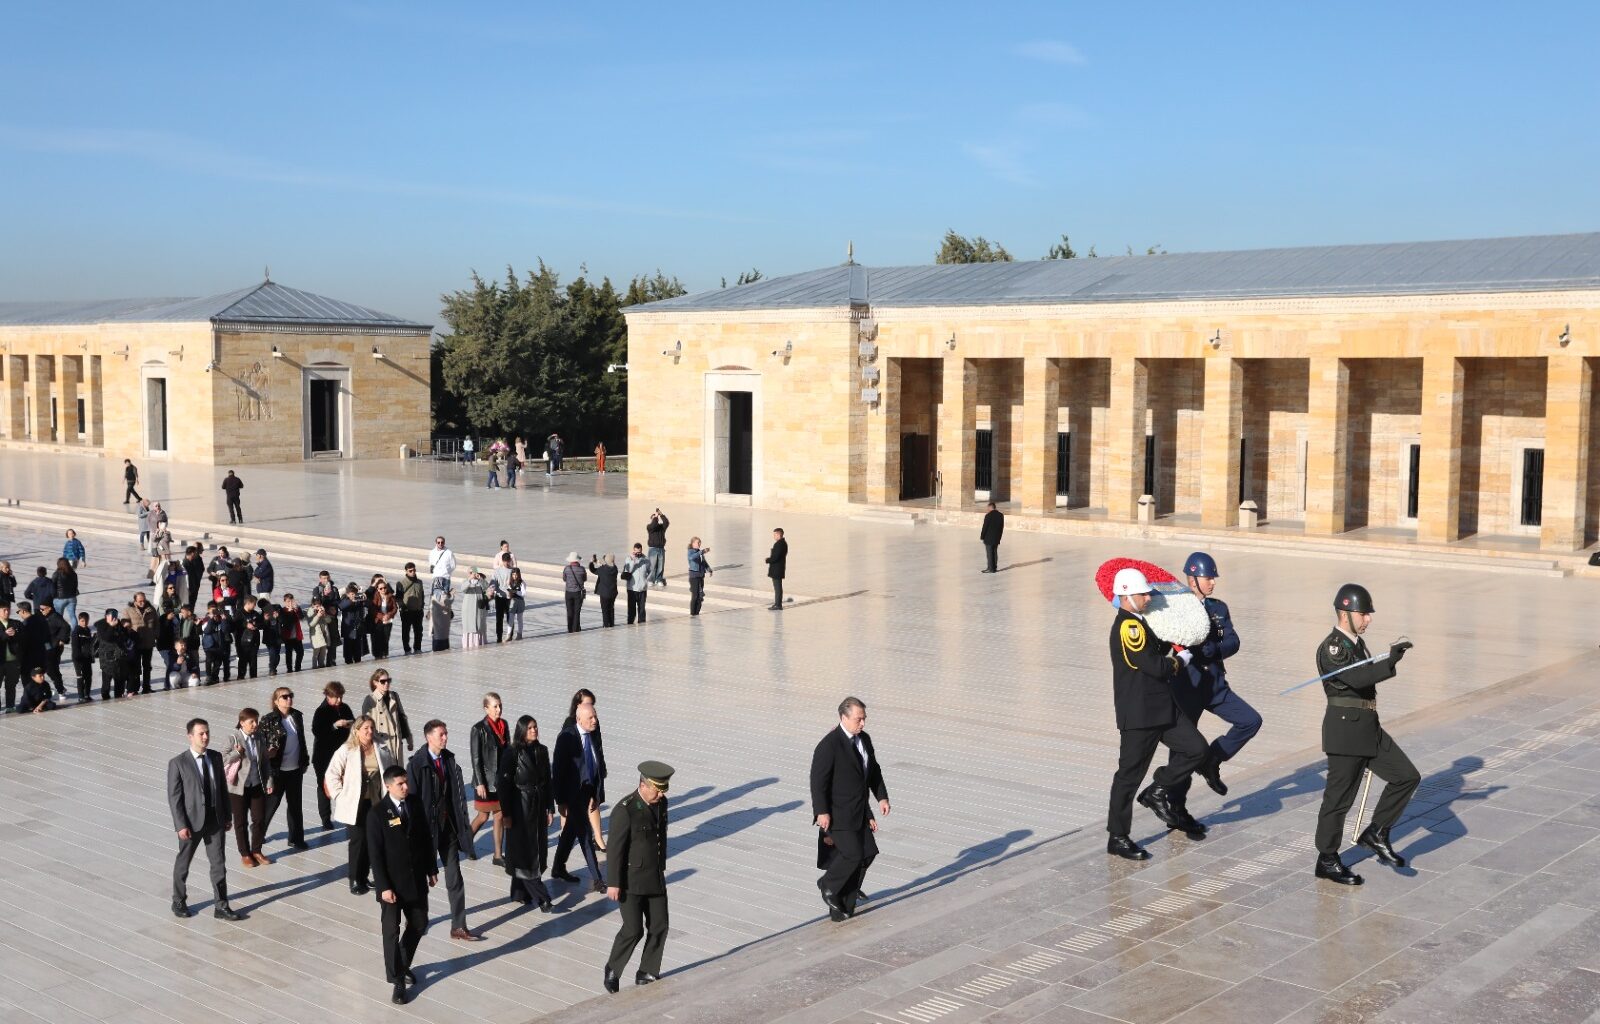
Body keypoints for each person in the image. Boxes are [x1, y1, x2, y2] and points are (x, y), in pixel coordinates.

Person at [1313, 584, 1419, 886]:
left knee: (1407, 776)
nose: (1368, 619)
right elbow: (1356, 678)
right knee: (1339, 799)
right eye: (1363, 614)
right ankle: (1328, 858)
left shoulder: (1357, 645)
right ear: (1345, 613)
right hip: (1345, 728)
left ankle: (1377, 831)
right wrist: (1389, 663)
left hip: (1368, 726)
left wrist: (1387, 662)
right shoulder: (1333, 647)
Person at [1104, 567, 1209, 861]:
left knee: (1196, 749)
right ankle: (1118, 836)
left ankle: (1158, 788)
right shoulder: (1129, 627)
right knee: (1128, 776)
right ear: (1127, 596)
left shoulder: (1143, 622)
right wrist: (1180, 661)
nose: (1148, 597)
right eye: (1142, 593)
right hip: (1139, 714)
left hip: (1163, 707)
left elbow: (1159, 643)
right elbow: (1153, 665)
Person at [1168, 553, 1263, 817]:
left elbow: (1232, 640)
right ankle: (1176, 807)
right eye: (1208, 577)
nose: (1213, 582)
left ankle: (1212, 760)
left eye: (1212, 578)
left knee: (1250, 720)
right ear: (1192, 578)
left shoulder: (1218, 608)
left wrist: (1214, 649)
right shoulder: (1177, 609)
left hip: (1215, 685)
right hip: (1188, 688)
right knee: (1184, 749)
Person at [810, 697, 890, 921]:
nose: (863, 723)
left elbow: (872, 771)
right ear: (843, 717)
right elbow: (818, 781)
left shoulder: (863, 740)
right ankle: (828, 884)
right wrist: (821, 811)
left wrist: (881, 798)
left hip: (858, 811)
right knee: (853, 855)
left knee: (867, 853)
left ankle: (845, 898)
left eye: (864, 719)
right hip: (837, 814)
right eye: (858, 719)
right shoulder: (829, 745)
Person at [603, 761, 675, 992]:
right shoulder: (625, 810)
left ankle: (647, 971)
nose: (661, 794)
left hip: (654, 876)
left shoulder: (661, 804)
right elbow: (615, 849)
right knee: (633, 929)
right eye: (657, 789)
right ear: (643, 785)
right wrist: (613, 883)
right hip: (630, 881)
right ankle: (613, 969)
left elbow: (659, 838)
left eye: (664, 789)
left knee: (660, 925)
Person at [405, 721, 481, 941]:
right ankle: (416, 920)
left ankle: (459, 926)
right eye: (441, 734)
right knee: (421, 880)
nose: (445, 737)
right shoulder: (417, 765)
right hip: (426, 832)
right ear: (429, 737)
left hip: (447, 830)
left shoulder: (449, 760)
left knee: (455, 878)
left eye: (446, 733)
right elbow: (412, 801)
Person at [368, 766, 435, 1005]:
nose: (406, 787)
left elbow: (425, 838)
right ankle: (397, 981)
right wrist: (384, 886)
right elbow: (375, 855)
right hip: (392, 886)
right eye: (400, 784)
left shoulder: (414, 804)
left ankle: (402, 963)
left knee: (419, 923)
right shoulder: (377, 814)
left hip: (416, 879)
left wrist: (431, 869)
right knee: (391, 931)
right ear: (388, 786)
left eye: (406, 782)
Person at [168, 718, 243, 921]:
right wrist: (180, 824)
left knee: (219, 864)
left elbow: (222, 789)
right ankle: (178, 900)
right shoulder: (178, 763)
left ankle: (221, 905)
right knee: (184, 862)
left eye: (207, 732)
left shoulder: (216, 757)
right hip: (191, 823)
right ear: (190, 736)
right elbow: (174, 798)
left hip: (215, 820)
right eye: (201, 733)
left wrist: (227, 816)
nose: (205, 737)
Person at [327, 715, 397, 895]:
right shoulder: (346, 749)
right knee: (358, 841)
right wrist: (339, 795)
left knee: (373, 840)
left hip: (376, 801)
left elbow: (390, 773)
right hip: (355, 803)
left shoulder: (381, 748)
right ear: (356, 730)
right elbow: (332, 773)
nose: (369, 732)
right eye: (365, 728)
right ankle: (355, 879)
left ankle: (365, 876)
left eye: (371, 728)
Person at [499, 715, 554, 911]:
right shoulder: (512, 753)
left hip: (537, 805)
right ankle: (542, 897)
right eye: (530, 728)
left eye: (535, 727)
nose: (534, 730)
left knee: (536, 847)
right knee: (524, 851)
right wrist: (506, 813)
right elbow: (503, 785)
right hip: (519, 806)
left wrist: (550, 807)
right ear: (522, 730)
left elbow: (548, 781)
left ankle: (518, 892)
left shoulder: (542, 751)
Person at [551, 701, 607, 889]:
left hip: (587, 793)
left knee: (570, 832)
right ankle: (597, 878)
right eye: (590, 718)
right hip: (572, 794)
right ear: (579, 720)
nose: (595, 720)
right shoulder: (567, 737)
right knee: (585, 834)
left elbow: (596, 767)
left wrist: (596, 794)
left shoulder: (594, 735)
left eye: (595, 716)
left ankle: (558, 867)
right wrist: (560, 800)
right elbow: (558, 770)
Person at [259, 687, 310, 851]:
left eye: (290, 696)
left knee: (295, 806)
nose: (289, 699)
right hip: (277, 771)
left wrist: (305, 760)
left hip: (295, 769)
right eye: (284, 697)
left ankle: (296, 839)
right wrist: (267, 755)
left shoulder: (296, 716)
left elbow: (301, 740)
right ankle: (257, 837)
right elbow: (260, 744)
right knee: (271, 805)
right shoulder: (268, 720)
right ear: (276, 701)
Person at [222, 708, 271, 867]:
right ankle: (245, 853)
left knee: (259, 819)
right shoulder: (233, 738)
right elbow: (222, 760)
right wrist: (237, 753)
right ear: (242, 723)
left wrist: (269, 781)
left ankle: (257, 850)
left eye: (256, 721)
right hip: (238, 788)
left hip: (256, 785)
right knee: (240, 822)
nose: (255, 724)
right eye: (252, 722)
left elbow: (264, 762)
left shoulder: (258, 737)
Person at [469, 693, 509, 863]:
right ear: (486, 708)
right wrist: (479, 783)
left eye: (500, 705)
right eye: (495, 706)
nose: (499, 709)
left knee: (500, 815)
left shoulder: (504, 724)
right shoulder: (478, 729)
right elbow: (475, 758)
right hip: (485, 781)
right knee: (483, 817)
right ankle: (465, 843)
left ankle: (498, 855)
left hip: (500, 780)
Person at [312, 682, 356, 830]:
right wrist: (334, 726)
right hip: (324, 756)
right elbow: (317, 731)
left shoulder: (345, 708)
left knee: (345, 783)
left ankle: (346, 814)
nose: (339, 701)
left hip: (343, 754)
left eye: (341, 697)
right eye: (336, 698)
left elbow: (354, 723)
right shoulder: (321, 711)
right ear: (328, 696)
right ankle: (325, 818)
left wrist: (350, 724)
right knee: (324, 786)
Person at [362, 670, 414, 764]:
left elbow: (402, 718)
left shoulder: (394, 696)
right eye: (383, 681)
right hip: (382, 743)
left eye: (388, 680)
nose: (386, 683)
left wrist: (409, 739)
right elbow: (365, 724)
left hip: (396, 743)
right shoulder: (370, 700)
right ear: (375, 683)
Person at [126, 591, 158, 693]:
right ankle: (134, 688)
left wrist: (155, 635)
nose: (142, 603)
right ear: (135, 601)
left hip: (148, 643)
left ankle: (146, 687)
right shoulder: (128, 610)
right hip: (135, 644)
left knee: (147, 666)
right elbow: (124, 624)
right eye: (140, 601)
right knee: (135, 667)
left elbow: (157, 624)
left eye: (143, 600)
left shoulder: (151, 609)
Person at [396, 563, 426, 655]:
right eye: (410, 571)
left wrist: (422, 606)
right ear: (406, 571)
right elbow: (398, 598)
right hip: (407, 612)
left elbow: (422, 594)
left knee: (418, 631)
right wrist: (402, 607)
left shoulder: (419, 582)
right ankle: (407, 649)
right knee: (406, 631)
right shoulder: (401, 583)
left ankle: (417, 648)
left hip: (418, 611)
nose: (413, 572)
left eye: (414, 570)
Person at [200, 603, 231, 684]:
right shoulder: (206, 619)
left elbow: (224, 630)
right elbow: (207, 631)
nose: (214, 612)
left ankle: (214, 677)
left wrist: (224, 619)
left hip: (219, 645)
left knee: (218, 662)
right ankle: (208, 676)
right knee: (209, 660)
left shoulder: (220, 619)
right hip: (209, 645)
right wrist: (211, 619)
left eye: (215, 610)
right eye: (212, 610)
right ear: (208, 610)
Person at [340, 584, 368, 665]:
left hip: (358, 628)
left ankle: (357, 660)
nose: (354, 596)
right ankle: (348, 661)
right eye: (352, 594)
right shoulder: (344, 599)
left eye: (355, 594)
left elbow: (367, 605)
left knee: (357, 648)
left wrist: (364, 598)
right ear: (348, 594)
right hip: (348, 629)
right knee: (348, 648)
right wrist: (351, 601)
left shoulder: (358, 601)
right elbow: (341, 606)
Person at [588, 554, 619, 628]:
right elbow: (609, 566)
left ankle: (606, 624)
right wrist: (602, 563)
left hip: (604, 593)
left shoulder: (603, 569)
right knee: (611, 608)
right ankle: (611, 623)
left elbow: (593, 570)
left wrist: (591, 563)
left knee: (605, 610)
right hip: (613, 593)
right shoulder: (615, 569)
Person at [623, 544, 650, 624]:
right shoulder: (628, 559)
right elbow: (628, 570)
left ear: (641, 551)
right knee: (631, 609)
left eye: (639, 552)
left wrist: (646, 580)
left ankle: (642, 623)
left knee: (642, 609)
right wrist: (633, 561)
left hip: (642, 588)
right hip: (632, 588)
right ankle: (630, 623)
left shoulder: (646, 560)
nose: (638, 554)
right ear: (633, 551)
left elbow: (651, 571)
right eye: (636, 552)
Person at [369, 580, 396, 659]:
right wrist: (382, 616)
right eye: (381, 588)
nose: (383, 590)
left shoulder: (390, 596)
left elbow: (394, 608)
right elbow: (373, 609)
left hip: (388, 621)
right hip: (378, 621)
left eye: (385, 588)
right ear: (377, 589)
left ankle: (384, 653)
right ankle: (377, 655)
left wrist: (389, 615)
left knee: (386, 638)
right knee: (377, 638)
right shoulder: (375, 596)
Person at [71, 611, 94, 701]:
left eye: (86, 621)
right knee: (80, 678)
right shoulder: (76, 631)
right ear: (79, 620)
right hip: (79, 658)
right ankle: (81, 696)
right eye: (82, 621)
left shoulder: (87, 630)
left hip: (87, 657)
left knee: (88, 676)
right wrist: (77, 659)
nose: (85, 623)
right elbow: (75, 647)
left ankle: (87, 695)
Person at [686, 538, 711, 617]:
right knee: (695, 595)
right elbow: (692, 558)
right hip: (694, 576)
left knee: (700, 595)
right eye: (698, 543)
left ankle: (697, 612)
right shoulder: (690, 551)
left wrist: (709, 569)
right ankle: (693, 613)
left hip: (700, 576)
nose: (699, 544)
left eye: (700, 543)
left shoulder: (699, 552)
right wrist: (702, 552)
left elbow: (703, 562)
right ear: (693, 543)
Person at [562, 553, 587, 633]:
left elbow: (564, 579)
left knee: (569, 611)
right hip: (578, 593)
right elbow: (584, 579)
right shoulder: (582, 569)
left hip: (568, 592)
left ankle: (570, 628)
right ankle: (575, 628)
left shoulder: (567, 569)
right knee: (577, 611)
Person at [51, 557, 79, 627]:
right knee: (72, 616)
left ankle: (61, 631)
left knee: (59, 617)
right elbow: (75, 586)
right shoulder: (73, 573)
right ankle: (74, 632)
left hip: (60, 598)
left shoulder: (56, 574)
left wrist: (52, 596)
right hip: (72, 597)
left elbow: (52, 586)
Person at [279, 593, 304, 672]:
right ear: (285, 602)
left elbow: (301, 617)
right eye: (288, 601)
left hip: (296, 635)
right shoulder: (283, 610)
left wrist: (297, 610)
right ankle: (289, 668)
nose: (290, 603)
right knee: (289, 653)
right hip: (288, 636)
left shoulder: (296, 608)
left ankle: (297, 667)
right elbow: (284, 622)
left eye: (291, 601)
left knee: (300, 652)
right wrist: (289, 612)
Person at [461, 571, 486, 647]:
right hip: (468, 607)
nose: (474, 574)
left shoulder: (480, 582)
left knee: (478, 625)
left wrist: (481, 579)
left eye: (475, 573)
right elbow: (463, 589)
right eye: (472, 573)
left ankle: (478, 643)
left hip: (479, 607)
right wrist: (469, 579)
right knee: (469, 626)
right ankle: (468, 644)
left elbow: (486, 587)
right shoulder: (466, 581)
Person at [491, 555, 513, 642]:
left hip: (509, 597)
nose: (506, 563)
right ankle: (499, 636)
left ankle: (510, 635)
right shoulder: (497, 571)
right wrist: (494, 589)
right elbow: (493, 583)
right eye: (505, 561)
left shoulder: (512, 571)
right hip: (500, 597)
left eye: (508, 561)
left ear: (510, 560)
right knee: (499, 618)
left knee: (510, 617)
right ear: (502, 561)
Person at [645, 509, 669, 587]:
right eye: (653, 518)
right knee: (652, 566)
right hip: (653, 549)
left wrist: (661, 514)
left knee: (660, 566)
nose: (655, 518)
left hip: (661, 549)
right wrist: (655, 517)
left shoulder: (661, 527)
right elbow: (653, 525)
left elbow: (666, 522)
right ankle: (650, 580)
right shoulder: (649, 527)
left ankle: (658, 579)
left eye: (656, 518)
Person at [766, 528, 787, 610]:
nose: (774, 536)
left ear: (778, 534)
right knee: (778, 587)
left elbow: (775, 557)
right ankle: (777, 604)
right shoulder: (783, 543)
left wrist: (768, 560)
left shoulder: (779, 544)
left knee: (777, 587)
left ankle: (778, 604)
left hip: (777, 569)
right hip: (779, 568)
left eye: (774, 534)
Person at [308, 601, 334, 669]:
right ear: (312, 606)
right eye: (316, 606)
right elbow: (311, 624)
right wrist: (317, 616)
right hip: (316, 636)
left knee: (323, 651)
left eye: (319, 606)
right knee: (316, 651)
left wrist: (324, 615)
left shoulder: (323, 612)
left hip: (324, 635)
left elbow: (329, 621)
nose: (318, 608)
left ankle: (321, 664)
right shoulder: (310, 613)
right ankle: (314, 665)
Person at [979, 501, 1003, 573]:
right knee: (995, 552)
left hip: (988, 538)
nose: (987, 509)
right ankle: (994, 567)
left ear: (990, 507)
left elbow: (985, 527)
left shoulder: (988, 516)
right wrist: (999, 537)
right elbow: (1001, 527)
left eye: (987, 508)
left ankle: (990, 568)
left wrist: (982, 536)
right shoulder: (1000, 515)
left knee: (989, 553)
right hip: (996, 538)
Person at [182, 545, 205, 610]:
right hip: (188, 590)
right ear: (192, 553)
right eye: (195, 552)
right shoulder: (185, 564)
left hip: (194, 588)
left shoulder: (192, 562)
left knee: (191, 606)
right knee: (187, 608)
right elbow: (184, 579)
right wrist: (187, 589)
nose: (196, 554)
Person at [506, 567, 526, 640]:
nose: (515, 576)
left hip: (520, 602)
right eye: (513, 574)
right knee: (510, 619)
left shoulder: (522, 583)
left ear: (519, 574)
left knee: (519, 619)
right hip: (512, 602)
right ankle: (508, 635)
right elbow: (507, 592)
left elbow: (523, 593)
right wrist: (508, 594)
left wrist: (516, 592)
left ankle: (519, 634)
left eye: (516, 574)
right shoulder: (510, 582)